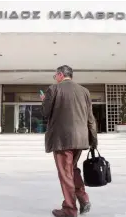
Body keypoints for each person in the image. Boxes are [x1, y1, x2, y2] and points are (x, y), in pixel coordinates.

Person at [40, 65, 98, 217]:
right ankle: (83, 199)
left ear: (60, 75)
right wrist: (93, 140)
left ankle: (70, 209)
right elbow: (90, 118)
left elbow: (46, 113)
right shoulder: (84, 91)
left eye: (55, 76)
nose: (55, 79)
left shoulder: (54, 89)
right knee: (72, 170)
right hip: (81, 138)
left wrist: (44, 101)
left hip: (62, 139)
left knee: (66, 174)